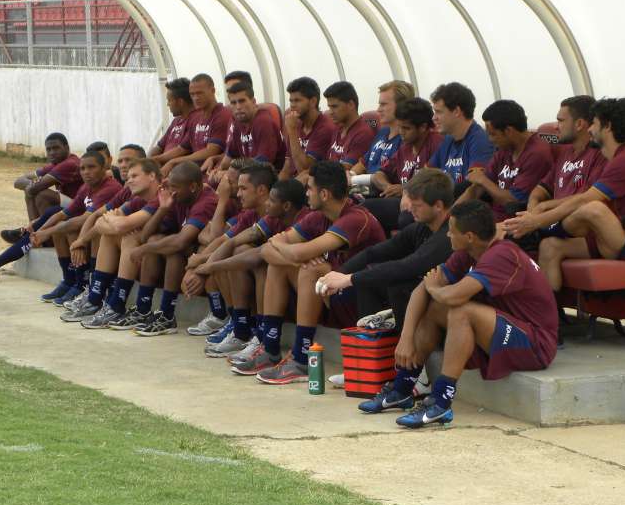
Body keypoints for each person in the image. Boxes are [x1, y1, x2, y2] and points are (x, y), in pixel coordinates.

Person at [361, 200, 558, 427]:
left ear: (470, 236)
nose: (447, 236)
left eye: (452, 232)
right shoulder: (468, 252)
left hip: (535, 344)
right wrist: (405, 338)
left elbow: (452, 295)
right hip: (503, 328)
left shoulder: (502, 254)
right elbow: (420, 290)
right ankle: (402, 389)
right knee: (435, 308)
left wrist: (434, 288)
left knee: (460, 310)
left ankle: (441, 402)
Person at [232, 160, 385, 383]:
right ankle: (270, 348)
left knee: (312, 270)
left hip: (364, 303)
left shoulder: (355, 218)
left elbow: (297, 251)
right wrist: (296, 259)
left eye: (310, 188)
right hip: (332, 295)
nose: (306, 193)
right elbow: (267, 250)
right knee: (284, 265)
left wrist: (291, 253)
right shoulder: (318, 216)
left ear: (324, 194)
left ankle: (302, 359)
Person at [504, 97, 625, 292]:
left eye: (595, 124)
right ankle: (546, 317)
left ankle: (537, 231)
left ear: (607, 127)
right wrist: (540, 211)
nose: (590, 129)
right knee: (550, 246)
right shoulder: (618, 157)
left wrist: (537, 220)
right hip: (613, 235)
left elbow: (585, 199)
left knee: (592, 208)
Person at [317, 168, 454, 333]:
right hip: (426, 292)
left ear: (438, 206)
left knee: (399, 285)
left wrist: (348, 279)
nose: (409, 208)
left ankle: (400, 348)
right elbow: (374, 252)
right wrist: (339, 273)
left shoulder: (449, 235)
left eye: (417, 205)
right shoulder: (421, 228)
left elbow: (406, 267)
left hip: (447, 301)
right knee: (369, 282)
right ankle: (371, 343)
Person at [0, 151, 122, 287]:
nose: (86, 172)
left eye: (91, 167)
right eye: (83, 168)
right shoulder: (83, 183)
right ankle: (69, 282)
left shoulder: (104, 184)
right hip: (79, 221)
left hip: (97, 232)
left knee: (53, 210)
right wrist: (40, 230)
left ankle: (84, 287)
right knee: (55, 215)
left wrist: (45, 232)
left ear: (104, 167)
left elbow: (84, 219)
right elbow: (21, 183)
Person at [193, 178, 309, 361]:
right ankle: (240, 330)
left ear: (286, 206)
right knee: (239, 251)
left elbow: (260, 253)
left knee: (265, 265)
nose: (267, 204)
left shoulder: (305, 219)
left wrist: (209, 267)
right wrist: (201, 267)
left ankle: (264, 340)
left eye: (271, 200)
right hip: (289, 284)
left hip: (311, 283)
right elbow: (232, 241)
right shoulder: (272, 218)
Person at [112, 161, 220, 336]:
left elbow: (181, 242)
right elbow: (145, 236)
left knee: (170, 249)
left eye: (175, 187)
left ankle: (167, 315)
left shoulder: (205, 202)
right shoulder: (177, 197)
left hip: (205, 256)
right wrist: (162, 209)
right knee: (156, 241)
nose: (172, 191)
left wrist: (144, 249)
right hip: (188, 252)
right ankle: (143, 308)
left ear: (193, 187)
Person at [181, 163, 277, 352]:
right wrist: (199, 267)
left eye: (242, 188)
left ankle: (258, 334)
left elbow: (249, 251)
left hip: (284, 276)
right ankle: (239, 326)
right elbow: (224, 240)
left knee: (240, 255)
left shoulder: (274, 213)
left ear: (261, 190)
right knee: (228, 253)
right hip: (258, 274)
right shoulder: (249, 214)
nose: (238, 193)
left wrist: (206, 267)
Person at [73, 158, 165, 327]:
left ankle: (117, 304)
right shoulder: (139, 199)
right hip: (148, 251)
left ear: (152, 175)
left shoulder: (161, 196)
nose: (128, 180)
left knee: (129, 236)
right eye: (128, 177)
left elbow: (122, 224)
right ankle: (95, 298)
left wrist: (115, 222)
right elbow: (100, 223)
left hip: (170, 254)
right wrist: (113, 223)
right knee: (110, 236)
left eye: (134, 176)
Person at [502, 95, 605, 243]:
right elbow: (540, 190)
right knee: (498, 232)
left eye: (561, 121)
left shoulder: (599, 155)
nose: (556, 126)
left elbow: (586, 198)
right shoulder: (565, 152)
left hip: (575, 226)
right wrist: (532, 209)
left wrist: (543, 208)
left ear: (579, 124)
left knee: (508, 237)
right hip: (551, 221)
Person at [457, 99, 553, 223]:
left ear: (508, 131)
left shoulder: (537, 154)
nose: (490, 140)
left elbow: (513, 201)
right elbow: (476, 188)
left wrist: (483, 180)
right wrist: (450, 217)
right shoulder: (504, 149)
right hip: (491, 220)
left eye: (493, 134)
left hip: (515, 224)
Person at [366, 97, 443, 232]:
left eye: (406, 128)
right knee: (364, 208)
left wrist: (404, 188)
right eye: (400, 126)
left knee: (405, 218)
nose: (401, 132)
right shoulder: (405, 146)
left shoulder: (436, 143)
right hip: (402, 201)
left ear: (423, 127)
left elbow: (436, 181)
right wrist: (388, 187)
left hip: (423, 202)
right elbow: (379, 174)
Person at [427, 82, 493, 197]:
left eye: (438, 112)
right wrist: (408, 192)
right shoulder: (448, 139)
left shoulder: (479, 140)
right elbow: (426, 174)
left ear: (457, 111)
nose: (434, 118)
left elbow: (474, 186)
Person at [164, 74, 233, 176]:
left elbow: (211, 151)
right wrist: (155, 159)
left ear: (213, 91)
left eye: (200, 93)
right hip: (193, 172)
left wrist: (174, 162)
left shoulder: (222, 115)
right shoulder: (195, 118)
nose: (196, 98)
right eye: (192, 94)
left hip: (211, 172)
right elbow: (182, 148)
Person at [9, 132, 82, 228]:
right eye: (49, 149)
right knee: (33, 190)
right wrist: (33, 184)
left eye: (56, 148)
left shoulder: (69, 164)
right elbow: (18, 182)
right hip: (68, 202)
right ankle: (34, 231)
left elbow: (34, 188)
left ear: (67, 148)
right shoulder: (55, 164)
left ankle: (35, 232)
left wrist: (34, 185)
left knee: (42, 194)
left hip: (80, 205)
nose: (52, 152)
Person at [216, 80, 285, 179]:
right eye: (233, 103)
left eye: (242, 101)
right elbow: (229, 156)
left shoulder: (264, 122)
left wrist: (229, 173)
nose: (238, 107)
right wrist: (219, 170)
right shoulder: (237, 123)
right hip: (249, 176)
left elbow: (262, 164)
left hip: (268, 178)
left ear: (253, 102)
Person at [350, 80, 413, 177]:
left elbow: (388, 177)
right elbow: (363, 163)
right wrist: (350, 174)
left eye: (383, 104)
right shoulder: (383, 132)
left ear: (401, 106)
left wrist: (356, 180)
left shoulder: (407, 139)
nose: (378, 109)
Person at [279, 76, 335, 181]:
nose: (292, 105)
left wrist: (291, 131)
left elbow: (303, 168)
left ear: (313, 101)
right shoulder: (296, 123)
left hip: (310, 187)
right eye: (291, 101)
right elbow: (287, 165)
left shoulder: (325, 128)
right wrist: (276, 189)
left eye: (297, 100)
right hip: (292, 184)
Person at [323, 81, 374, 170]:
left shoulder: (363, 133)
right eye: (329, 107)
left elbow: (344, 169)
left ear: (351, 105)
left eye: (334, 107)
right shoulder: (337, 128)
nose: (330, 112)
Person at [148, 77, 193, 165]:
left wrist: (154, 160)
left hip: (178, 171)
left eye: (169, 100)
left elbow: (181, 150)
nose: (168, 104)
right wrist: (147, 160)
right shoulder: (176, 121)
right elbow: (159, 146)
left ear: (180, 102)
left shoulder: (195, 121)